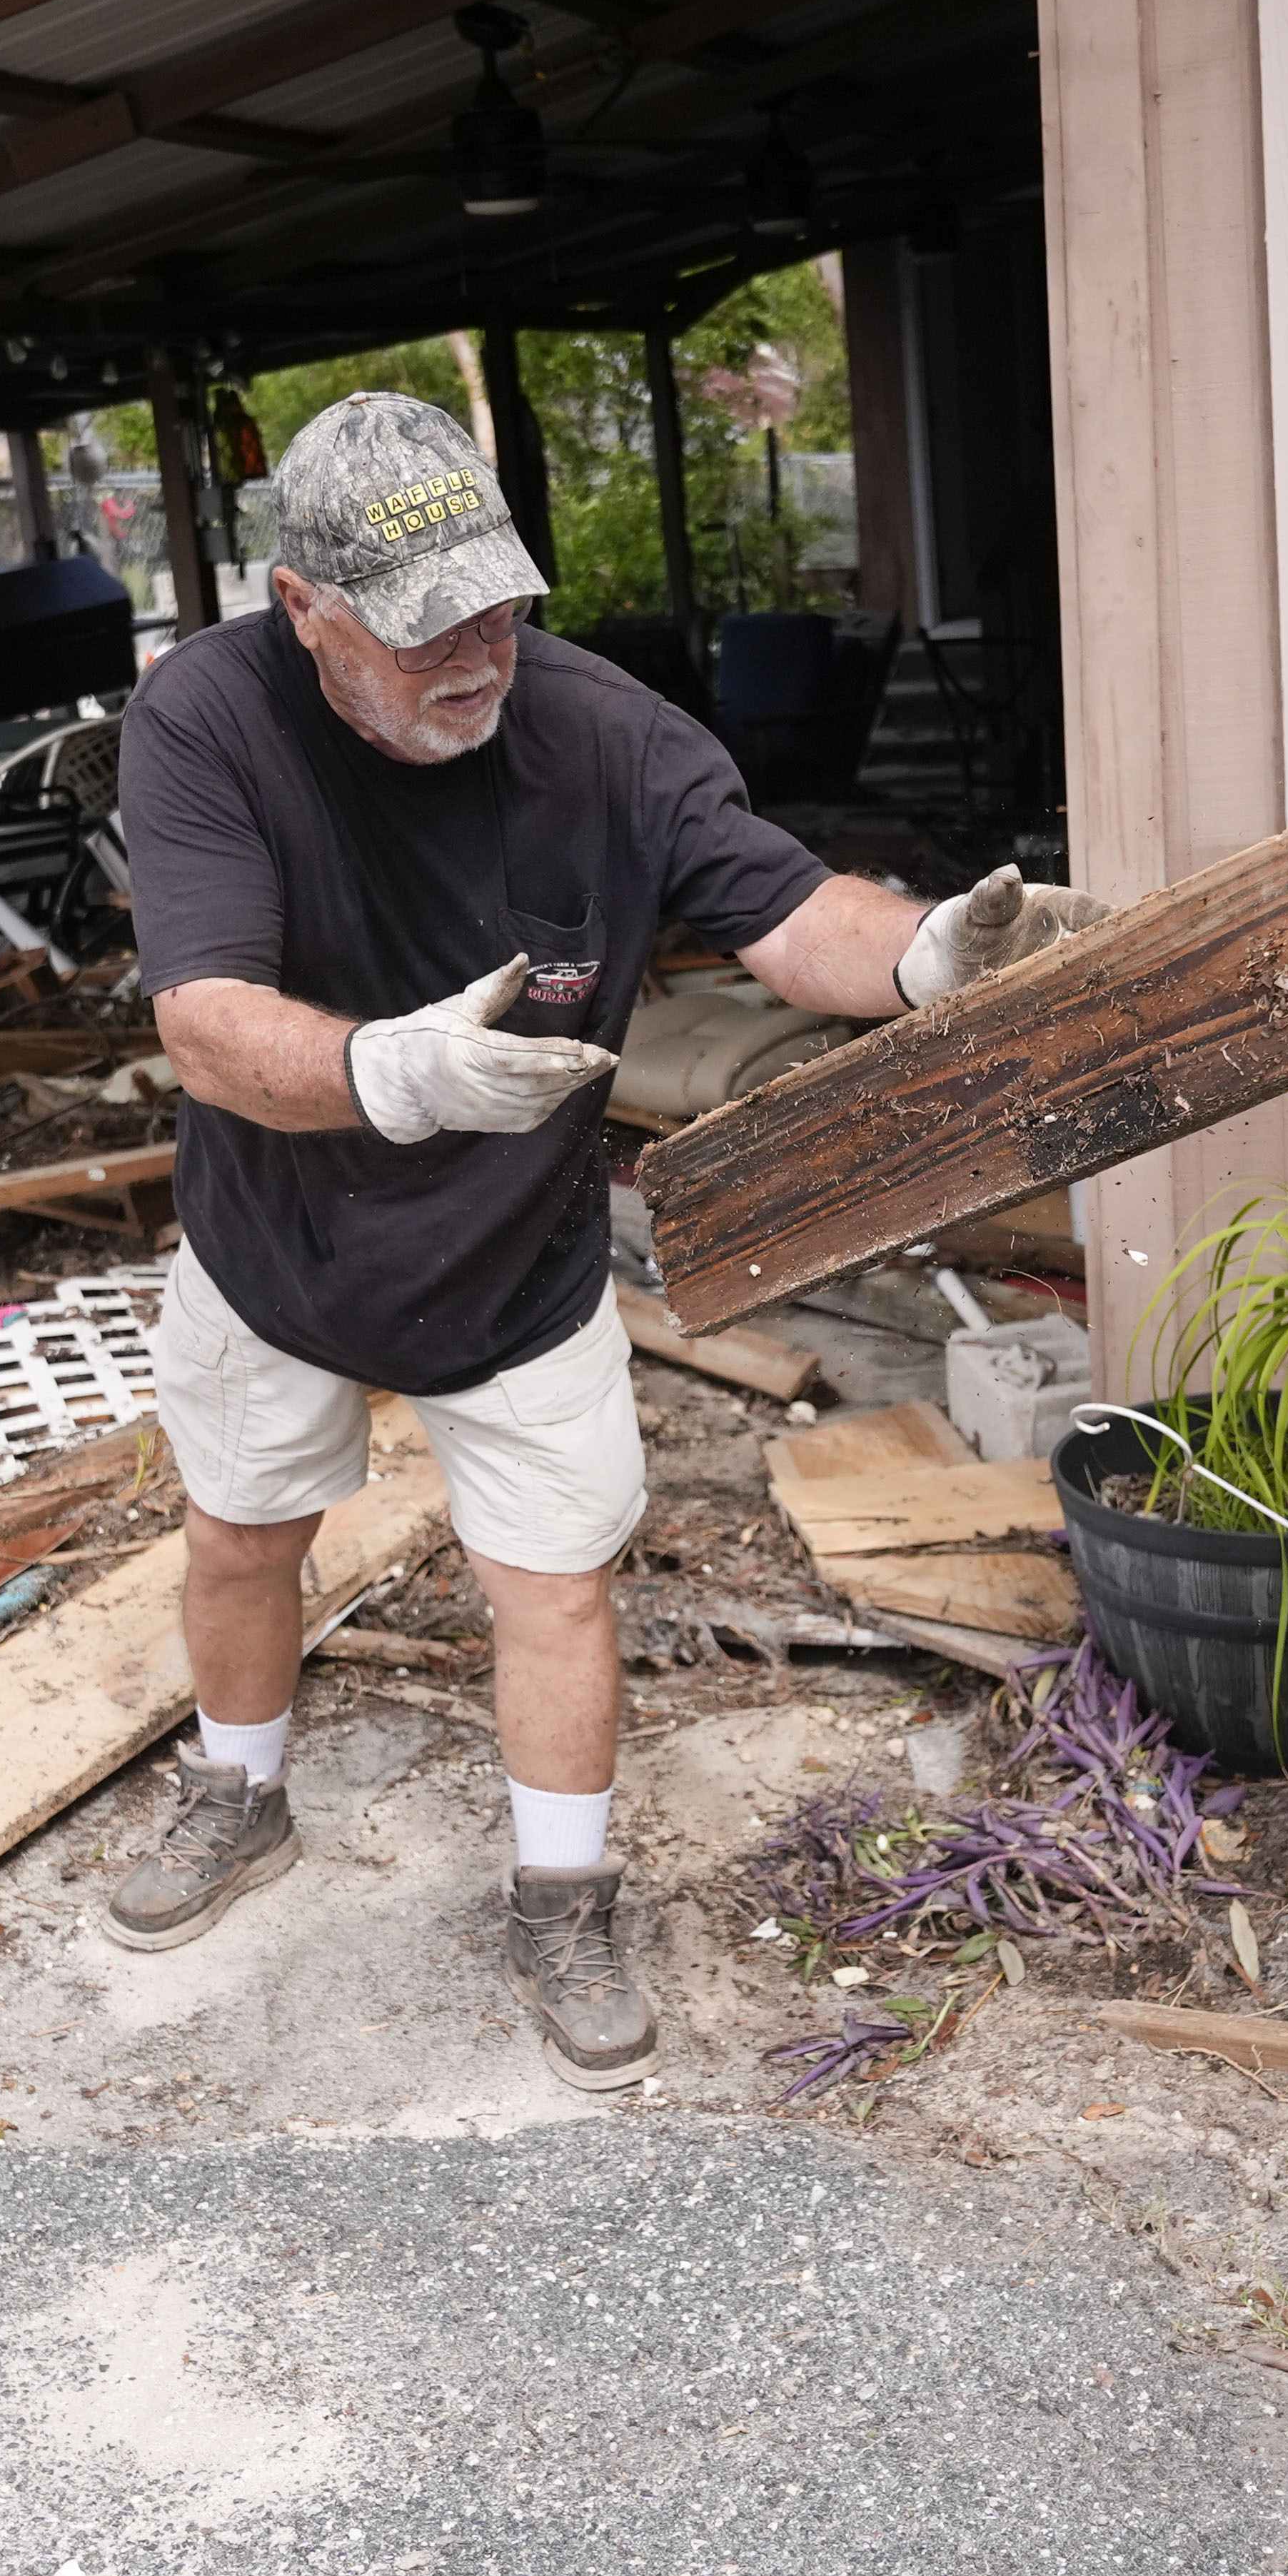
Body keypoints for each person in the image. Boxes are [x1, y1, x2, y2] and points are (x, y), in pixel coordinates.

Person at [114, 391, 1100, 2091]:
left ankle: (564, 1895)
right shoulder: (206, 717)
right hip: (276, 1235)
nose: (480, 653)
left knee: (552, 1586)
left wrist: (930, 952)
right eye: (430, 630)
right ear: (306, 612)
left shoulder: (605, 734)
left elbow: (796, 920)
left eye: (500, 606)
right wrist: (392, 1067)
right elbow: (203, 1024)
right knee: (240, 1536)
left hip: (519, 1263)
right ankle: (239, 1789)